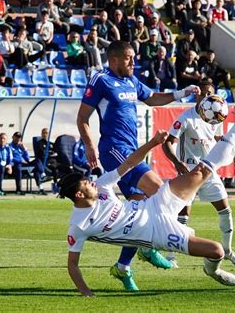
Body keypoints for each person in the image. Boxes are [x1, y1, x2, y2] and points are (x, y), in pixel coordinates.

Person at [64, 91, 235, 297]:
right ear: (79, 195)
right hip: (157, 233)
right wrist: (86, 292)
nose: (92, 182)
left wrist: (153, 142)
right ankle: (212, 269)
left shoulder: (101, 185)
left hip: (156, 204)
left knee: (201, 172)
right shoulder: (78, 225)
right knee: (216, 251)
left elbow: (128, 163)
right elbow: (72, 265)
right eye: (86, 184)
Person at [76, 40, 200, 292]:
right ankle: (149, 247)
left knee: (139, 210)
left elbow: (153, 98)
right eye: (129, 58)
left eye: (134, 57)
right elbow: (82, 118)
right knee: (160, 191)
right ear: (114, 60)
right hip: (114, 151)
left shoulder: (131, 81)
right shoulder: (100, 80)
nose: (134, 62)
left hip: (131, 151)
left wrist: (182, 93)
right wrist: (90, 146)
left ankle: (122, 267)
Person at [162, 91, 235, 268]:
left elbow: (219, 139)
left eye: (210, 93)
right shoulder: (186, 117)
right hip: (189, 171)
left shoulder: (214, 116)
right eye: (204, 94)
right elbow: (168, 142)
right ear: (198, 98)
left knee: (225, 211)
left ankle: (228, 251)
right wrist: (178, 164)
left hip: (209, 170)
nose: (208, 97)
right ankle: (171, 255)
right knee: (183, 215)